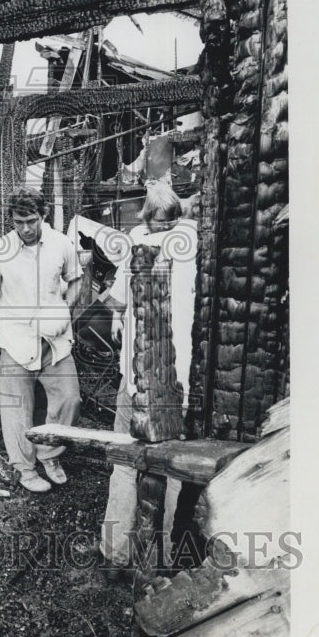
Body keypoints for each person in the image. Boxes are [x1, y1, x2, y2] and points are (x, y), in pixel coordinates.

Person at [100, 181, 198, 569]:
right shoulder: (197, 247)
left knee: (126, 462)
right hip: (180, 381)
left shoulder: (137, 245)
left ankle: (115, 554)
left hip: (139, 380)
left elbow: (117, 300)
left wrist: (110, 308)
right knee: (169, 467)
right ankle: (157, 559)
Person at [0, 188, 83, 493]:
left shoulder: (62, 244)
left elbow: (76, 279)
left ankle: (50, 454)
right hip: (16, 341)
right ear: (11, 219)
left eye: (31, 220)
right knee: (17, 408)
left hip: (54, 342)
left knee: (70, 398)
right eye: (19, 222)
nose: (26, 228)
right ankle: (25, 468)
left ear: (43, 215)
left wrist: (63, 311)